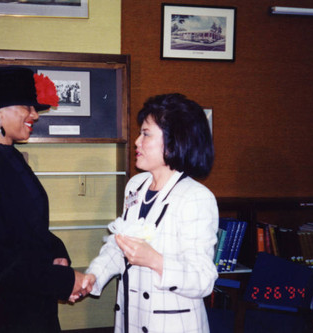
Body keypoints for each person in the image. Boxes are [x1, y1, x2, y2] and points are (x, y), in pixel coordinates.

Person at [0, 66, 91, 332]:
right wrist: (62, 282)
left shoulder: (10, 157)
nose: (35, 114)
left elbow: (30, 228)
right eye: (27, 106)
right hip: (7, 312)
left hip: (33, 303)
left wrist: (57, 253)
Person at [83, 93, 219, 333]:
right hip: (132, 319)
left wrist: (155, 261)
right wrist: (93, 277)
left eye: (145, 134)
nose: (136, 141)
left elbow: (203, 279)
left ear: (175, 141)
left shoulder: (195, 197)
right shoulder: (136, 185)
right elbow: (121, 247)